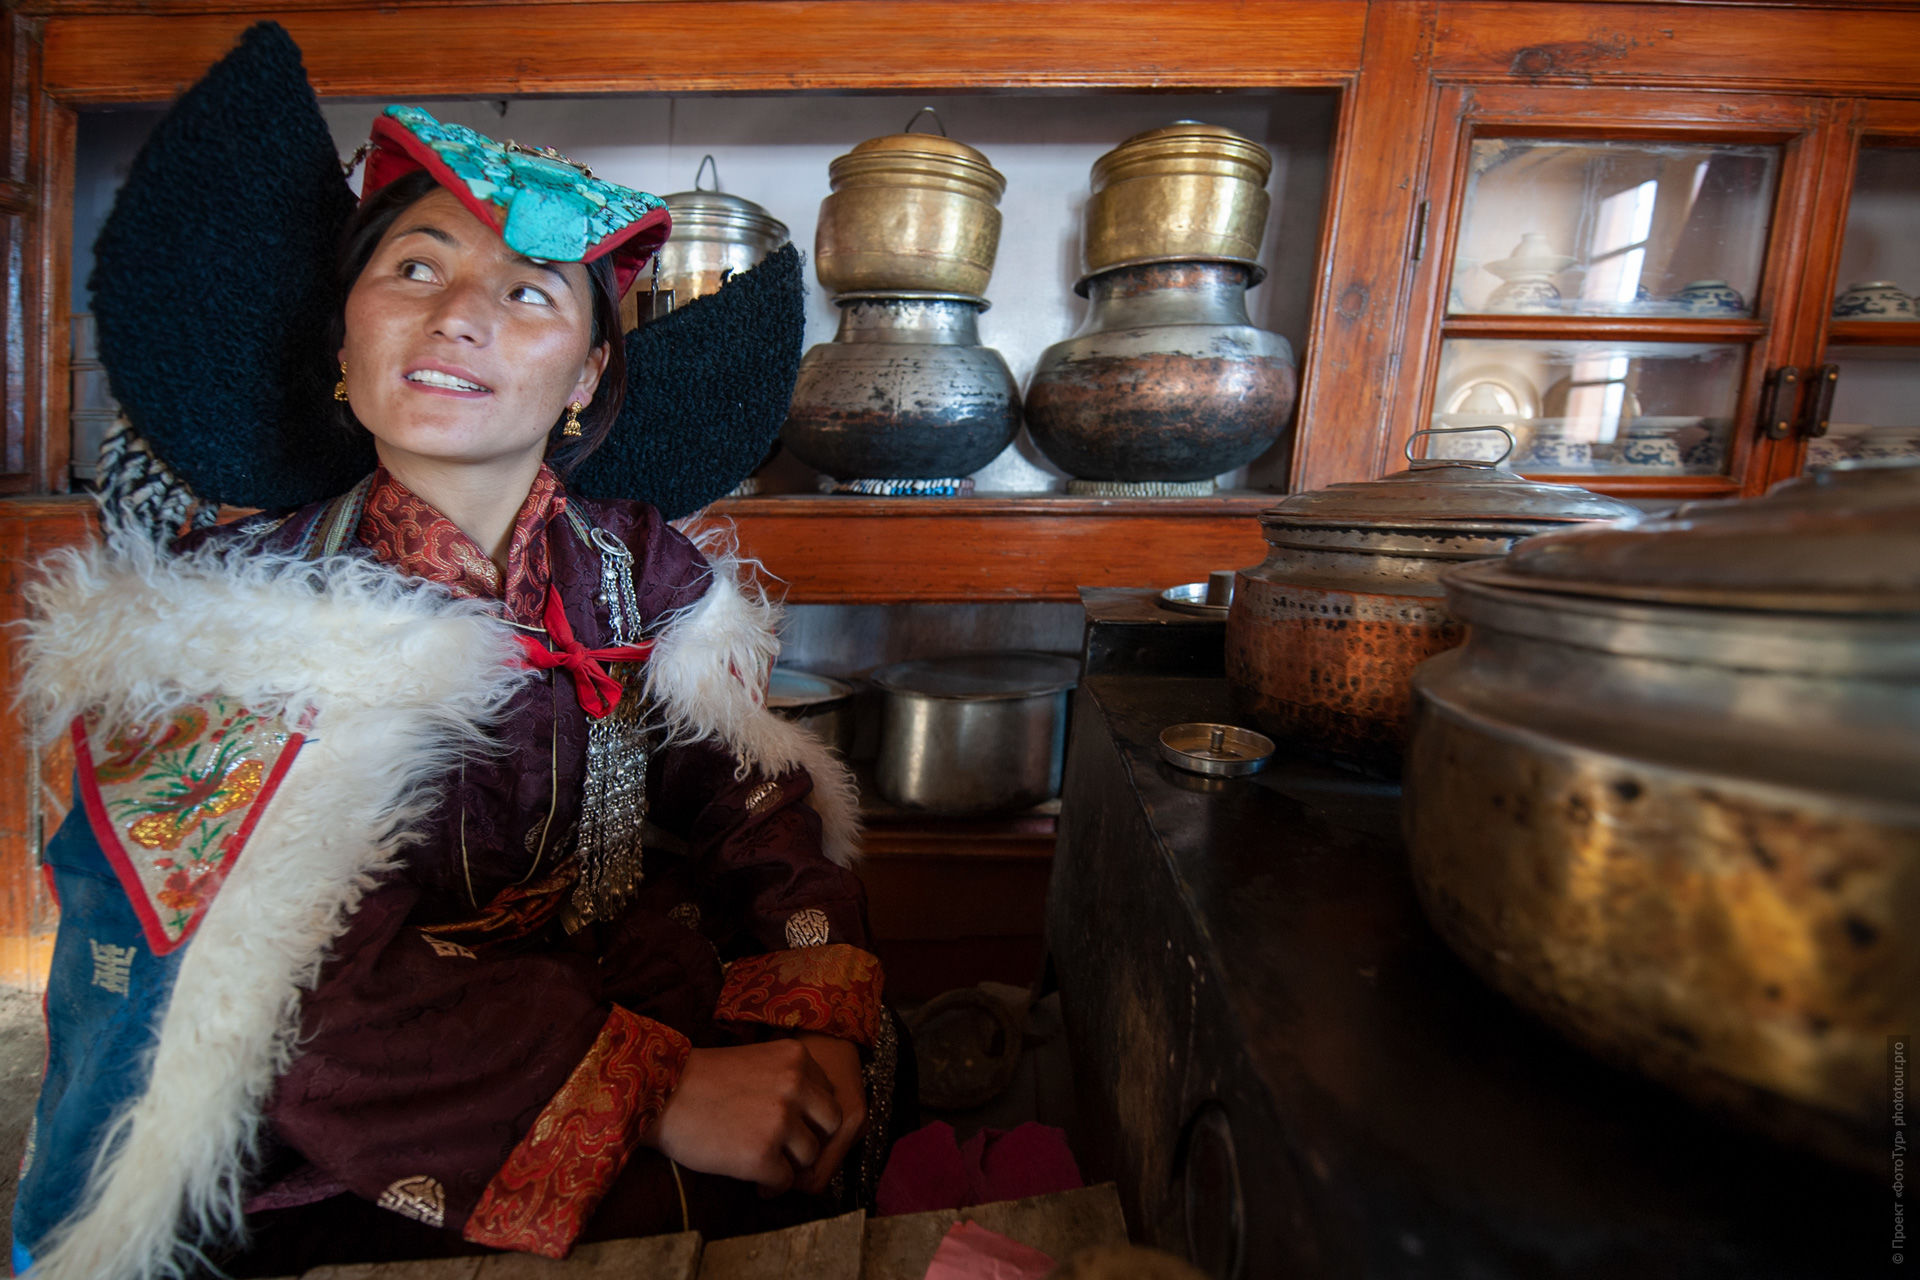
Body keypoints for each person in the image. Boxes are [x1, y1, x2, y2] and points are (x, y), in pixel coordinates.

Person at [11, 100, 900, 1280]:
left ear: (587, 373)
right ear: (344, 340)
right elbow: (264, 990)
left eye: (529, 290)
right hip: (357, 1104)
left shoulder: (637, 575)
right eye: (414, 266)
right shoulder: (222, 623)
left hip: (606, 982)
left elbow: (751, 796)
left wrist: (807, 1015)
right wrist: (666, 1086)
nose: (458, 313)